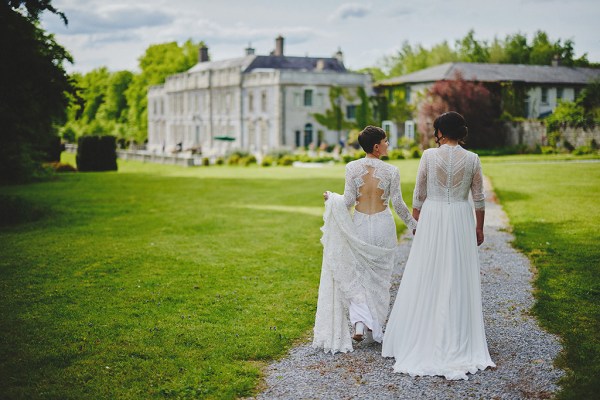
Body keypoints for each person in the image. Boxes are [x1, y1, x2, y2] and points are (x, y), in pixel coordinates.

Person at [382, 112, 496, 380]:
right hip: (459, 216)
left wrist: (416, 221)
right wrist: (479, 227)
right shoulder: (472, 159)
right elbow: (478, 198)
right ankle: (456, 333)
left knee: (426, 272)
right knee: (457, 274)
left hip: (432, 217)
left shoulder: (429, 156)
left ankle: (423, 332)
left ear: (441, 132)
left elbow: (419, 193)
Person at [313, 126, 417, 354]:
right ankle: (375, 328)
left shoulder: (352, 168)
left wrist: (332, 198)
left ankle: (360, 323)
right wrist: (413, 225)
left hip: (360, 224)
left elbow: (348, 201)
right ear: (377, 147)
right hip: (382, 225)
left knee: (359, 276)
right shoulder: (392, 171)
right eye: (386, 141)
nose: (388, 144)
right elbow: (397, 204)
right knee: (380, 278)